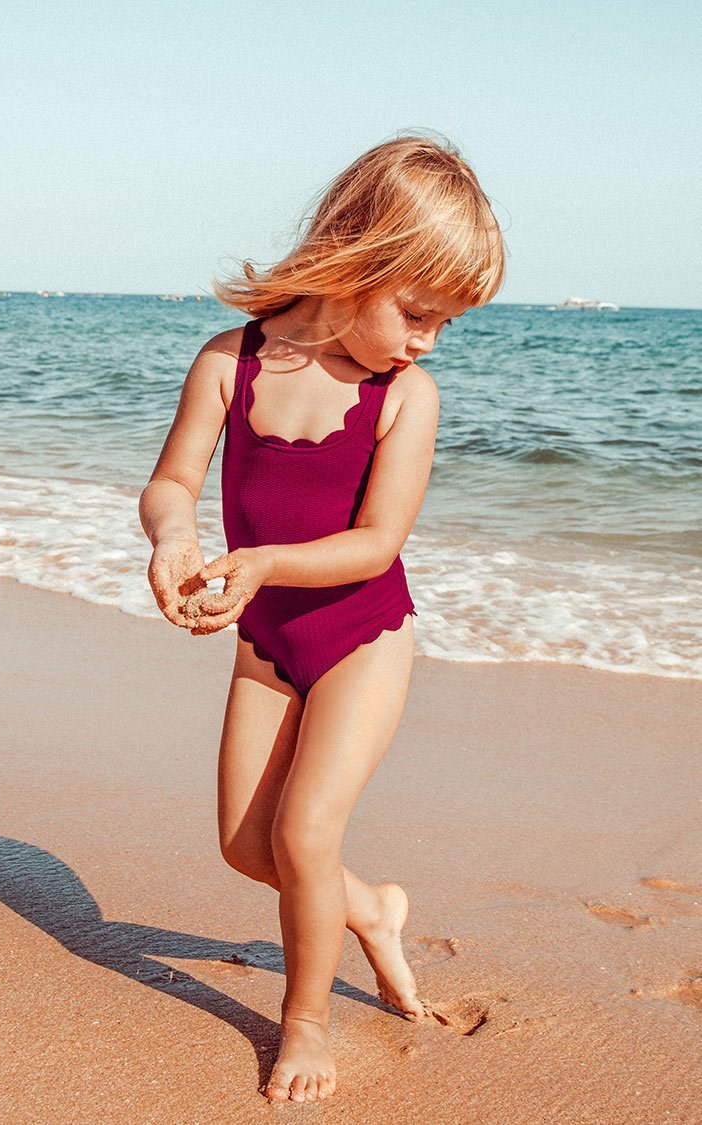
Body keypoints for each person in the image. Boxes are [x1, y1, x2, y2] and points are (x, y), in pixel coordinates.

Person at [138, 132, 505, 1104]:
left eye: (447, 323)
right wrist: (173, 541)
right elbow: (174, 481)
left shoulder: (405, 396)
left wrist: (261, 562)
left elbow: (378, 542)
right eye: (418, 311)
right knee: (246, 847)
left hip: (362, 637)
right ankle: (372, 910)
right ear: (356, 256)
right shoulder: (232, 360)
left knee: (304, 837)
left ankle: (305, 1023)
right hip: (267, 640)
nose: (428, 338)